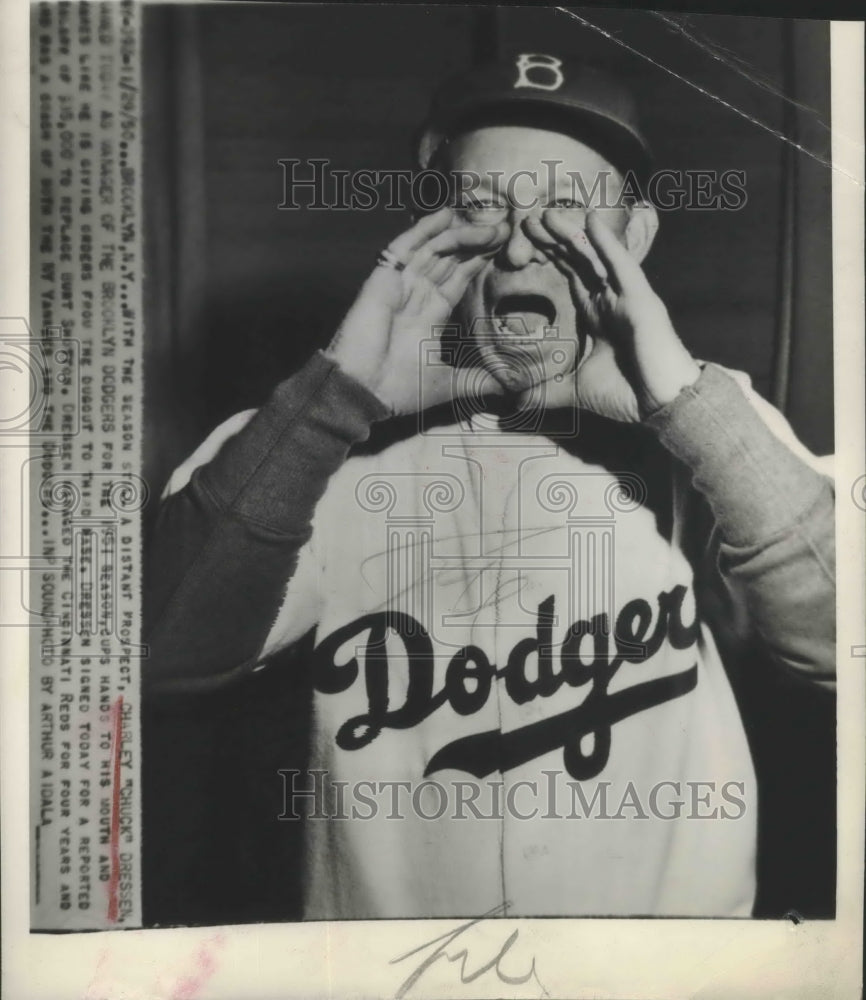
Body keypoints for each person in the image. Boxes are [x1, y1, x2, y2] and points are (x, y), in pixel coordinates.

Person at [144, 53, 835, 919]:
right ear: (431, 229)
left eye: (569, 213)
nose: (519, 249)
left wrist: (684, 405)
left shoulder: (716, 421)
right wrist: (336, 403)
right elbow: (157, 656)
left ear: (639, 240)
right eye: (481, 207)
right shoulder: (312, 436)